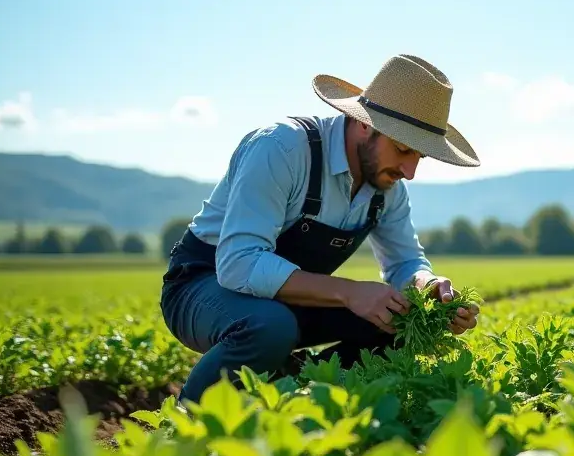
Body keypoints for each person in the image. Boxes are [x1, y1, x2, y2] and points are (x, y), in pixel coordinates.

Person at [160, 54, 481, 404]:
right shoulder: (281, 148)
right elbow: (239, 264)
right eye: (403, 149)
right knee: (270, 327)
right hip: (203, 287)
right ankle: (184, 424)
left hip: (289, 300)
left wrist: (428, 286)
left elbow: (405, 263)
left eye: (420, 156)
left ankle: (303, 398)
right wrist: (348, 292)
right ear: (365, 124)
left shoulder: (387, 189)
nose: (410, 171)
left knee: (404, 318)